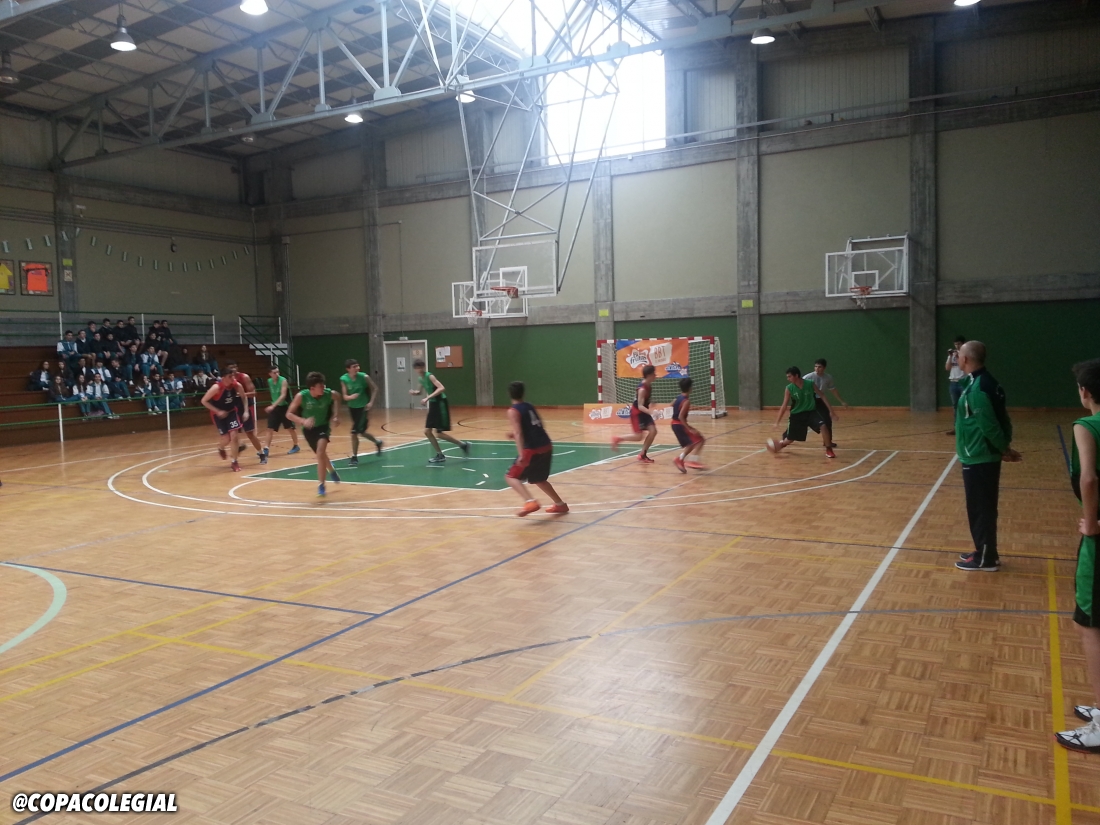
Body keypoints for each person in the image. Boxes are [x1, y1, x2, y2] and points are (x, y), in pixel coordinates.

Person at [1057, 359, 1100, 753]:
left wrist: (1092, 523)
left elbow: (1089, 478)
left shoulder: (1087, 426)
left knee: (1091, 626)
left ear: (1086, 392)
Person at [953, 341, 1021, 572]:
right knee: (983, 507)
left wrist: (1003, 449)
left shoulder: (979, 389)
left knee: (980, 509)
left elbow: (990, 425)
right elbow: (1004, 419)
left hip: (979, 456)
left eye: (959, 355)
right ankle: (985, 551)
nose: (956, 358)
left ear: (966, 359)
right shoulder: (983, 383)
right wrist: (1004, 447)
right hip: (981, 455)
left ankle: (985, 558)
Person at [504, 381, 568, 517]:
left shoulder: (513, 411)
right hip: (546, 444)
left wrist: (521, 454)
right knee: (539, 479)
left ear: (509, 394)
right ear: (523, 393)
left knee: (511, 477)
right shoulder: (529, 406)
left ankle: (530, 502)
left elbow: (519, 433)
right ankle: (560, 505)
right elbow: (539, 425)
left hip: (532, 449)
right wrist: (516, 433)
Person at [286, 371, 342, 497]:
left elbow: (338, 397)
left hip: (323, 427)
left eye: (323, 385)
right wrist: (303, 421)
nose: (323, 388)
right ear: (312, 388)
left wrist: (336, 415)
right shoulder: (302, 396)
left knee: (320, 452)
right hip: (309, 429)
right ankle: (331, 470)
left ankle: (321, 484)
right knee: (321, 454)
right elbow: (288, 414)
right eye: (320, 386)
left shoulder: (328, 394)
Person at [766, 366, 836, 459]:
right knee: (790, 439)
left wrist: (831, 411)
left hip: (811, 412)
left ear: (796, 375)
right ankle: (781, 444)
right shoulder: (789, 388)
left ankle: (829, 449)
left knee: (823, 426)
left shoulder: (810, 384)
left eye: (789, 376)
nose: (788, 379)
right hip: (797, 415)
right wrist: (777, 422)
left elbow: (822, 395)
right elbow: (784, 405)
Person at [410, 359, 469, 464]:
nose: (419, 370)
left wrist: (427, 398)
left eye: (420, 367)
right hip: (433, 404)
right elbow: (420, 391)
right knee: (427, 432)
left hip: (440, 403)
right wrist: (415, 392)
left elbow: (441, 388)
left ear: (423, 367)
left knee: (439, 434)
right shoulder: (421, 379)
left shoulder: (429, 376)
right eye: (417, 368)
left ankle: (461, 445)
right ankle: (443, 453)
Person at [611, 364, 659, 463]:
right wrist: (652, 412)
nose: (655, 375)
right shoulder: (642, 389)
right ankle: (618, 438)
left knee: (653, 431)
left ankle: (643, 454)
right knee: (638, 437)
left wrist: (651, 402)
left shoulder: (648, 385)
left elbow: (645, 400)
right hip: (637, 414)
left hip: (644, 412)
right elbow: (640, 406)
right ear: (649, 375)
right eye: (654, 373)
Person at [340, 358, 382, 466]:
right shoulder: (344, 379)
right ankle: (377, 442)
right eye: (354, 367)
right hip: (352, 408)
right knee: (361, 432)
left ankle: (354, 457)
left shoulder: (364, 377)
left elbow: (375, 388)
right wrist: (351, 397)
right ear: (348, 369)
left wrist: (371, 402)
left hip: (363, 408)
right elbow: (344, 396)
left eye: (358, 366)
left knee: (354, 432)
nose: (357, 368)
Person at [225, 361, 267, 464]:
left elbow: (254, 393)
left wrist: (242, 394)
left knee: (250, 433)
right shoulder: (226, 380)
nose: (234, 369)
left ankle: (262, 454)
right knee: (232, 433)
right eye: (231, 367)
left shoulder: (244, 377)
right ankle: (239, 448)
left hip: (245, 406)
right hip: (233, 408)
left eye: (235, 367)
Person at [202, 375, 245, 472]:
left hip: (231, 412)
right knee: (226, 438)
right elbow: (204, 401)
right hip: (218, 415)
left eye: (233, 376)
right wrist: (218, 411)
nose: (233, 378)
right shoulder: (216, 387)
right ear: (224, 378)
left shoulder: (237, 385)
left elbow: (244, 397)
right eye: (230, 376)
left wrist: (246, 411)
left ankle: (234, 462)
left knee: (234, 436)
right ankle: (221, 447)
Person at [804, 359, 846, 448]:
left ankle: (828, 442)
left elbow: (833, 390)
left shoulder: (828, 377)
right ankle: (787, 436)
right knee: (799, 419)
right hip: (809, 400)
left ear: (824, 368)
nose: (817, 368)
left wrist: (841, 401)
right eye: (816, 366)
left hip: (820, 400)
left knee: (827, 420)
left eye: (819, 367)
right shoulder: (807, 377)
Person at [263, 365, 301, 456]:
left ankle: (296, 445)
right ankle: (266, 449)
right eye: (274, 373)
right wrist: (274, 405)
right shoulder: (269, 381)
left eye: (278, 372)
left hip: (285, 407)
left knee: (290, 428)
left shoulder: (283, 380)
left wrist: (273, 406)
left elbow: (283, 395)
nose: (277, 374)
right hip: (275, 408)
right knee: (269, 428)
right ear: (270, 374)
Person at [670, 377, 706, 473]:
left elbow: (671, 404)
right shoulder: (686, 401)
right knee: (700, 440)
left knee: (691, 443)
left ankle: (680, 459)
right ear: (690, 388)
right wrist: (689, 429)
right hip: (679, 424)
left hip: (674, 424)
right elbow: (681, 416)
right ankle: (692, 461)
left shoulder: (678, 398)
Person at [945, 335, 967, 436]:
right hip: (953, 382)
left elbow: (963, 366)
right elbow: (947, 368)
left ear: (963, 343)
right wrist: (950, 356)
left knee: (965, 406)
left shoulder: (966, 354)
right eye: (955, 344)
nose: (957, 346)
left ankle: (966, 428)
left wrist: (958, 357)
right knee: (955, 406)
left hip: (963, 382)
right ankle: (956, 427)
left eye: (959, 344)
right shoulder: (952, 355)